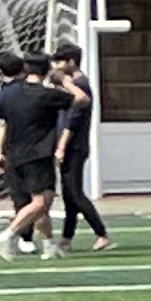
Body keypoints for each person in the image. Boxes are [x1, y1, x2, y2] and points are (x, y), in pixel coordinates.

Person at [0, 55, 64, 257]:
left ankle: (48, 244)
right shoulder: (44, 94)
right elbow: (81, 100)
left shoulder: (4, 95)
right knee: (40, 202)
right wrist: (63, 80)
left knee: (37, 203)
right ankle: (8, 236)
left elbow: (0, 125)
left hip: (14, 154)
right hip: (37, 154)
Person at [45, 47, 108, 252]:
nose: (56, 66)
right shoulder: (71, 86)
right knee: (68, 195)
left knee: (75, 192)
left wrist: (61, 147)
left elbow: (74, 120)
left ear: (71, 62)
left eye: (60, 61)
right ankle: (67, 237)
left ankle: (101, 233)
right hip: (70, 146)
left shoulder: (80, 85)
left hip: (75, 147)